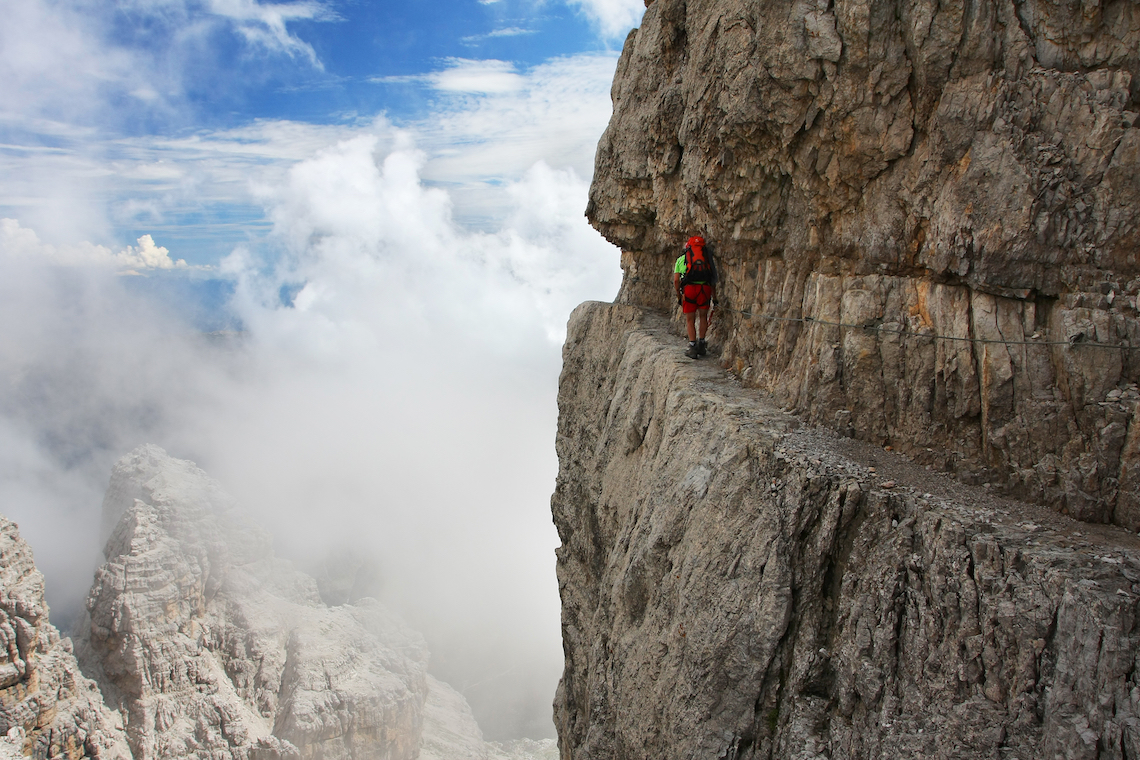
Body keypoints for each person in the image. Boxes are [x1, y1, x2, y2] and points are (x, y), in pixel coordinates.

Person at [673, 236, 717, 359]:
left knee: (690, 319)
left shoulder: (681, 260)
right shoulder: (707, 259)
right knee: (703, 316)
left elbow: (676, 281)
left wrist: (679, 295)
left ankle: (692, 347)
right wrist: (715, 296)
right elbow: (712, 278)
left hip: (689, 291)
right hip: (705, 289)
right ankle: (702, 344)